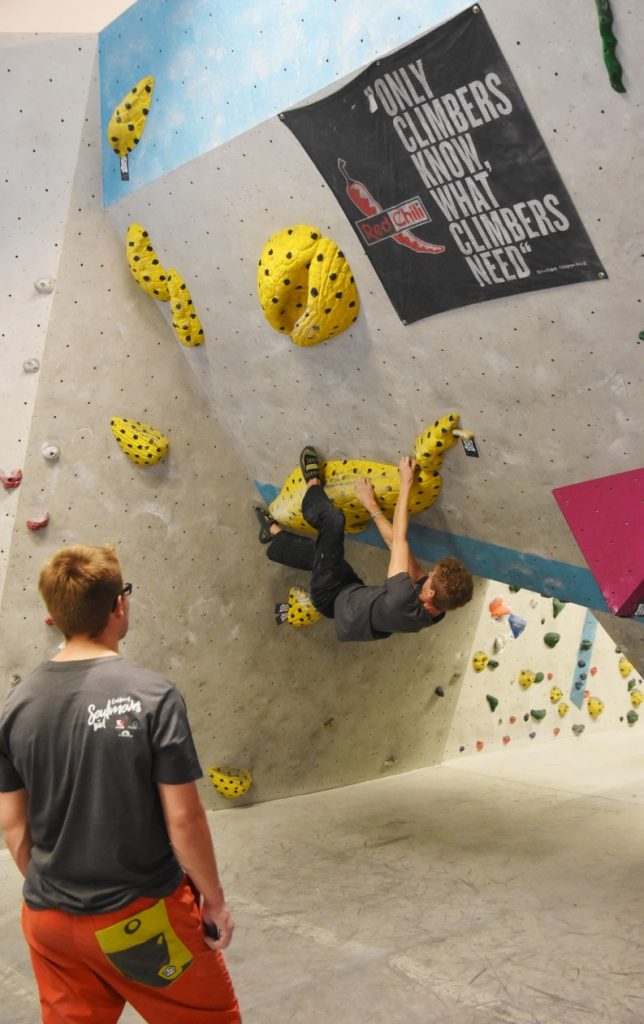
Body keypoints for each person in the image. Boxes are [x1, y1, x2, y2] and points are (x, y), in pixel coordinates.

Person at [0, 544, 240, 1024]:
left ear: (53, 615)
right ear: (119, 605)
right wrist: (212, 899)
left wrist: (62, 901)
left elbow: (12, 825)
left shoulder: (15, 706)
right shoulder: (153, 697)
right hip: (138, 918)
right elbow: (184, 819)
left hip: (47, 922)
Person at [256, 447, 473, 642]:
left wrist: (405, 482)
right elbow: (395, 544)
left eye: (432, 575)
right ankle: (273, 533)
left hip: (329, 596)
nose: (429, 573)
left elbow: (400, 538)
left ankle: (312, 483)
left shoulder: (401, 598)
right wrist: (373, 509)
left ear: (431, 594)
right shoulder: (438, 610)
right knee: (324, 554)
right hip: (351, 595)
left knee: (332, 521)